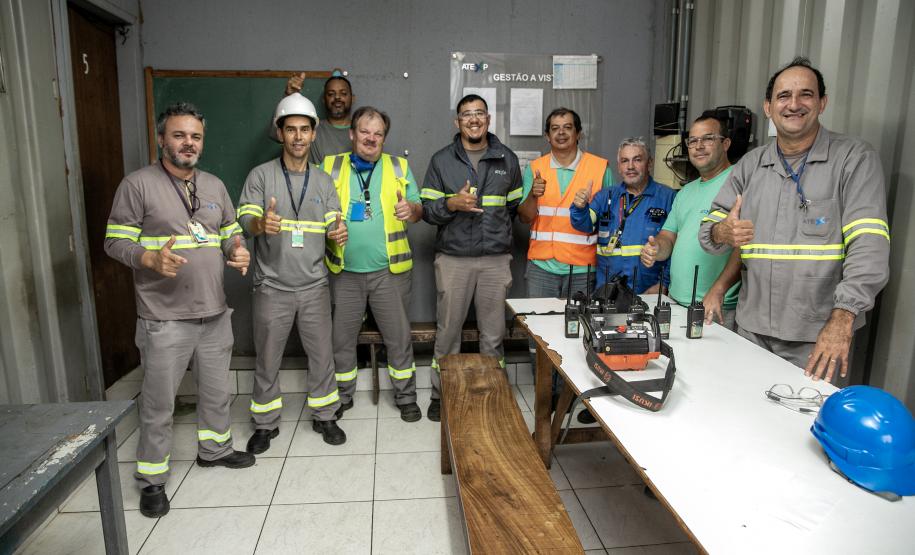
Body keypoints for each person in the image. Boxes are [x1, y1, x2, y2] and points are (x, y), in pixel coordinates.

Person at [698, 57, 890, 384]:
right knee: (744, 417)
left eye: (806, 95)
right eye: (784, 96)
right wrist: (724, 231)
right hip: (752, 330)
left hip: (817, 337)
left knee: (803, 429)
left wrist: (843, 319)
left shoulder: (853, 159)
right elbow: (709, 233)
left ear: (822, 102)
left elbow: (869, 246)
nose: (794, 104)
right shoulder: (751, 165)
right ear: (769, 107)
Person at [104, 102, 254, 518]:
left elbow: (230, 232)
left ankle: (215, 449)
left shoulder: (214, 184)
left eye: (195, 137)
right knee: (158, 403)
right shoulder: (137, 185)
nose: (188, 143)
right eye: (179, 135)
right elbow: (114, 241)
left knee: (216, 391)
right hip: (164, 317)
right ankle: (152, 479)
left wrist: (237, 251)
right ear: (161, 138)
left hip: (213, 311)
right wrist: (148, 259)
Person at [237, 93, 349, 450]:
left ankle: (325, 416)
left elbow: (335, 219)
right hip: (273, 285)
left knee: (322, 356)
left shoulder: (324, 180)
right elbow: (244, 219)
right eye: (291, 130)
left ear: (314, 134)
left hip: (315, 285)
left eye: (304, 130)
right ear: (280, 133)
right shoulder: (261, 176)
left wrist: (339, 230)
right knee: (268, 358)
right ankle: (265, 423)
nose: (298, 137)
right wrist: (259, 224)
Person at [421, 94, 522, 421]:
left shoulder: (507, 159)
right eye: (467, 114)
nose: (474, 119)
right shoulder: (441, 160)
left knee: (493, 335)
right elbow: (427, 212)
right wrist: (452, 205)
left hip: (495, 260)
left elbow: (513, 209)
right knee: (448, 331)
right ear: (457, 122)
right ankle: (441, 393)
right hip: (454, 260)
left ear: (489, 119)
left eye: (479, 113)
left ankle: (492, 392)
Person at [322, 106, 424, 422]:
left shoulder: (399, 165)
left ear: (384, 138)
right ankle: (343, 396)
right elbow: (313, 209)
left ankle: (406, 397)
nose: (371, 138)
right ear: (352, 134)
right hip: (344, 272)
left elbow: (419, 208)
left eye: (378, 133)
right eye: (365, 131)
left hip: (389, 272)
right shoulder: (328, 166)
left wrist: (413, 210)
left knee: (399, 339)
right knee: (341, 341)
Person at [640, 112, 741, 329]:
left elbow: (744, 247)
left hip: (715, 306)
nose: (698, 146)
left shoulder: (739, 182)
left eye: (707, 139)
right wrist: (657, 248)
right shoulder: (686, 191)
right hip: (676, 302)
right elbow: (669, 237)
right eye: (692, 141)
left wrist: (718, 290)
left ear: (725, 143)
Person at [518, 107, 612, 298]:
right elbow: (524, 217)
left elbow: (611, 221)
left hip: (583, 268)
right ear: (547, 135)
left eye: (568, 127)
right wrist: (533, 196)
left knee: (578, 326)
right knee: (539, 325)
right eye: (555, 128)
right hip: (541, 266)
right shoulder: (535, 168)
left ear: (579, 133)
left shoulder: (600, 168)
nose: (561, 133)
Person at [570, 138, 676, 293]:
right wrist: (580, 208)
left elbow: (676, 246)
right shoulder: (605, 196)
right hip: (607, 290)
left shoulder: (668, 197)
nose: (630, 166)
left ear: (650, 163)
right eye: (625, 161)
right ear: (619, 166)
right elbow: (584, 224)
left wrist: (664, 284)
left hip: (648, 289)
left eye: (637, 160)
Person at [284, 71, 354, 163]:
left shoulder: (364, 132)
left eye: (343, 93)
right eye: (331, 94)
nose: (337, 97)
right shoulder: (311, 128)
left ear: (353, 98)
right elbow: (276, 133)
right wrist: (289, 97)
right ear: (324, 100)